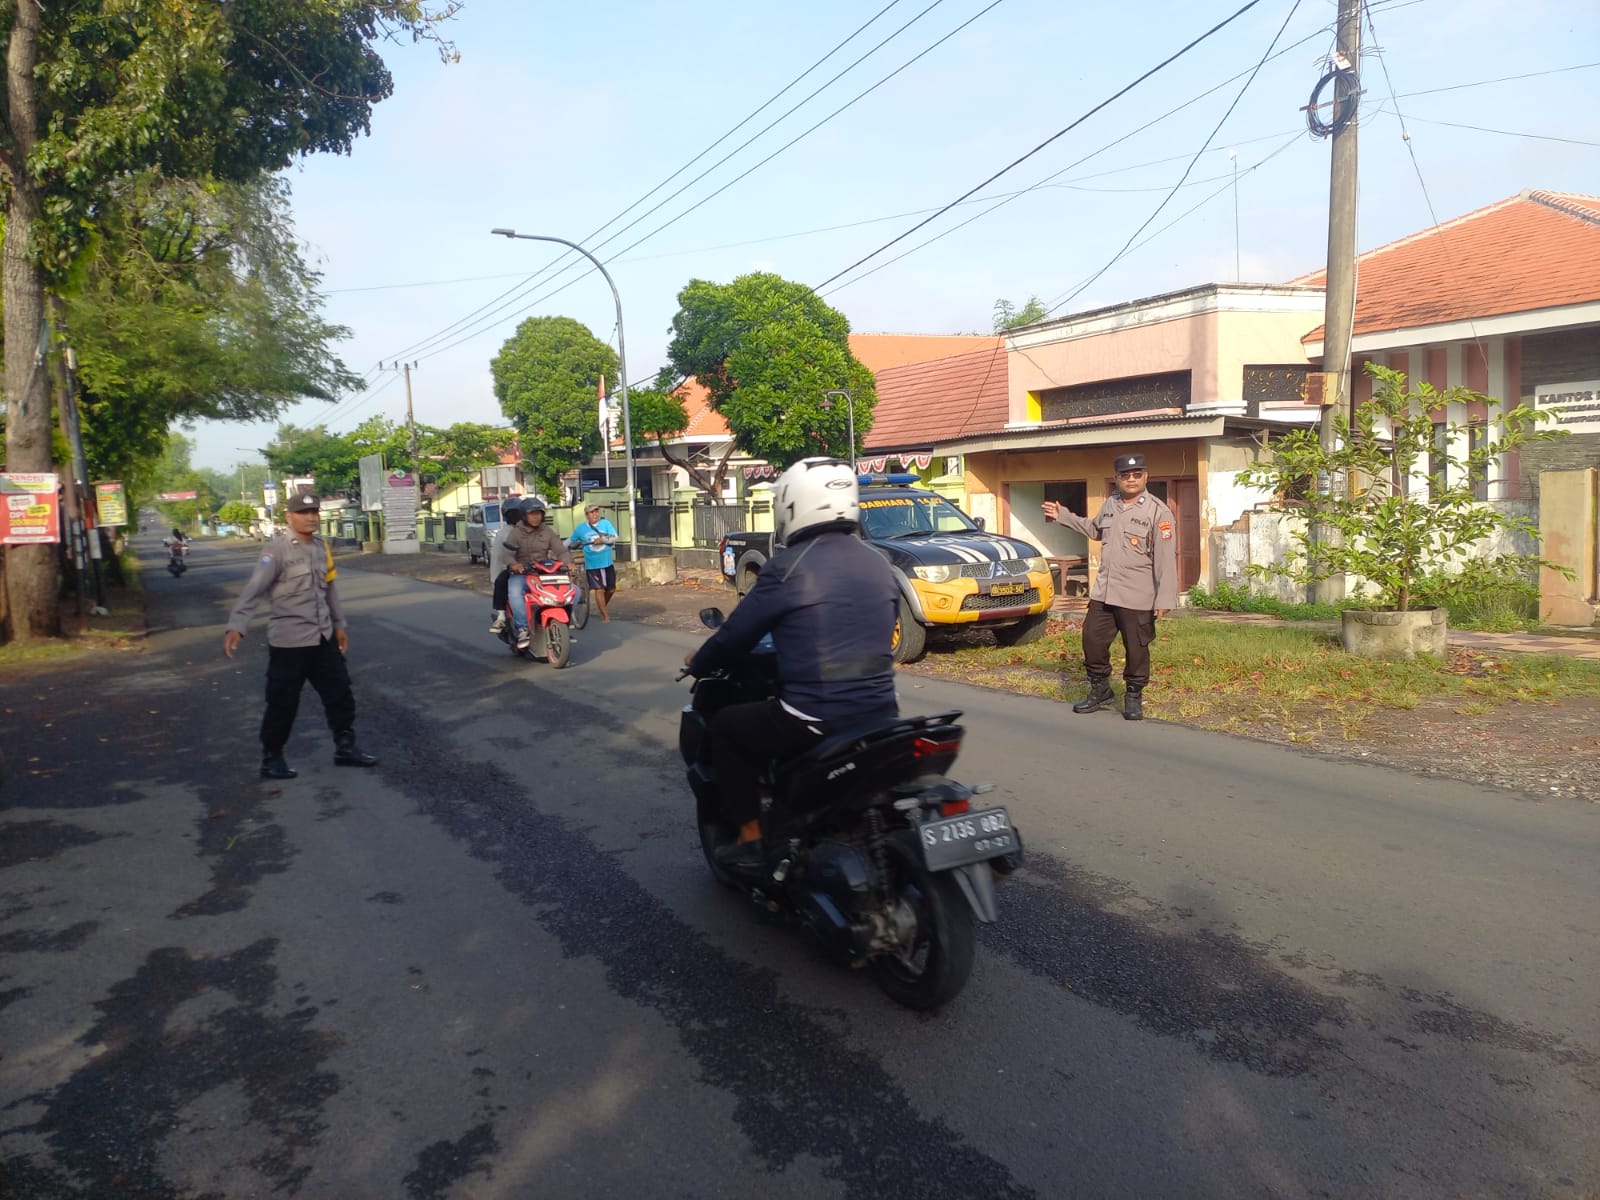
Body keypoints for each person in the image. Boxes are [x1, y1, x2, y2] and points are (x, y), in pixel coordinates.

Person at [683, 457, 901, 869]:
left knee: (728, 728)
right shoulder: (878, 560)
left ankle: (749, 839)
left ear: (791, 506)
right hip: (881, 712)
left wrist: (699, 661)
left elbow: (735, 635)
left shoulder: (788, 566)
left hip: (813, 717)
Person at [222, 490, 379, 779]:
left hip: (323, 637)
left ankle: (345, 748)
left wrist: (339, 624)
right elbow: (255, 589)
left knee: (340, 693)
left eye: (314, 512)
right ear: (289, 517)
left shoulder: (321, 547)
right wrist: (237, 624)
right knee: (282, 701)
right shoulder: (276, 550)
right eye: (303, 513)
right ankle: (272, 757)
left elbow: (329, 589)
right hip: (289, 640)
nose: (310, 517)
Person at [1041, 451, 1177, 721]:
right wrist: (1063, 516)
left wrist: (1165, 599)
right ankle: (1100, 689)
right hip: (1105, 592)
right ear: (1116, 479)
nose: (1131, 479)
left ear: (1146, 477)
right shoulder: (1110, 504)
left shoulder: (1158, 512)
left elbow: (1165, 560)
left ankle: (1134, 695)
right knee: (1092, 641)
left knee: (1136, 648)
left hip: (1137, 595)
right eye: (1125, 475)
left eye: (1137, 474)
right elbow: (1094, 529)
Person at [501, 496, 572, 651]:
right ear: (524, 516)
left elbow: (561, 551)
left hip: (544, 573)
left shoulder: (547, 531)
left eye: (538, 513)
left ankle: (565, 624)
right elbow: (507, 554)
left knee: (574, 591)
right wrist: (515, 565)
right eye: (532, 514)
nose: (536, 517)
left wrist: (568, 563)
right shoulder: (516, 533)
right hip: (523, 574)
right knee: (514, 591)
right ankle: (523, 629)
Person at [567, 502, 619, 621]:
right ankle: (604, 615)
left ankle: (602, 607)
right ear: (587, 515)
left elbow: (615, 536)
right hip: (593, 564)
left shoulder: (605, 523)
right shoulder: (581, 529)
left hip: (607, 561)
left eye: (596, 511)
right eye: (592, 512)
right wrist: (558, 548)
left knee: (611, 589)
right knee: (599, 589)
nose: (595, 514)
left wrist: (603, 539)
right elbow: (570, 541)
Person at [487, 499, 524, 634]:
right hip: (509, 571)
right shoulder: (504, 534)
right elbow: (501, 558)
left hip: (530, 569)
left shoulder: (530, 530)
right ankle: (501, 615)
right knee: (503, 581)